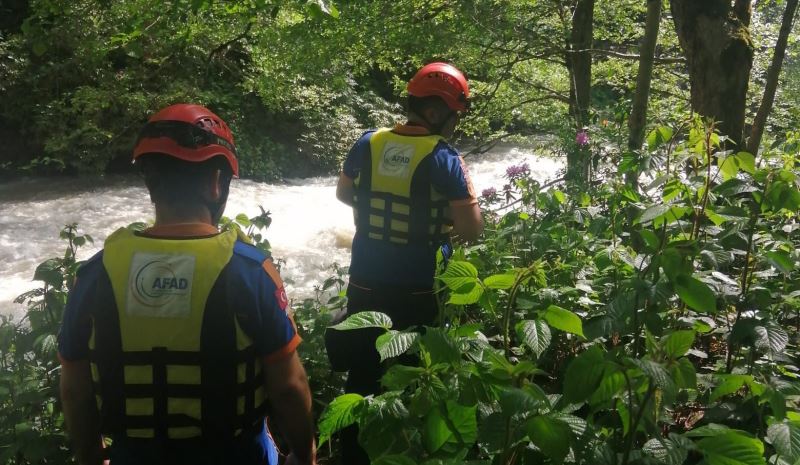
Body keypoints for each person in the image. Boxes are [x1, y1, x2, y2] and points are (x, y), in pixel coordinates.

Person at [58, 104, 316, 465]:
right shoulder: (250, 270)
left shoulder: (95, 274)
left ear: (150, 181)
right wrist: (305, 455)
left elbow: (75, 392)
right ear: (216, 182)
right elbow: (289, 388)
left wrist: (90, 455)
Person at [329, 62, 483, 464]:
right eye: (454, 115)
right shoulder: (444, 157)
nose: (454, 124)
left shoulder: (368, 143)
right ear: (437, 112)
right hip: (419, 287)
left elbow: (345, 195)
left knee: (362, 372)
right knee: (413, 375)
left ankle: (352, 454)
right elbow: (471, 229)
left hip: (365, 280)